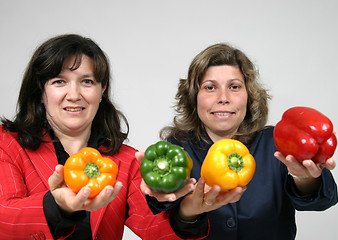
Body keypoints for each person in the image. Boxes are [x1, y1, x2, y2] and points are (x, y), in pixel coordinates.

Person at [0, 34, 209, 240]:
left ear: (102, 90)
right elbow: (4, 220)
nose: (74, 95)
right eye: (59, 81)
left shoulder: (127, 162)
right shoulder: (7, 145)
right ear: (41, 92)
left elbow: (159, 232)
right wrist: (57, 207)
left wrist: (186, 214)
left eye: (87, 81)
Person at [141, 43, 338, 240]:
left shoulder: (277, 143)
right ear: (194, 97)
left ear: (249, 95)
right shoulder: (177, 149)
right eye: (210, 88)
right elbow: (171, 226)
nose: (223, 98)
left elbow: (321, 201)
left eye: (234, 87)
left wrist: (305, 178)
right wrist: (187, 209)